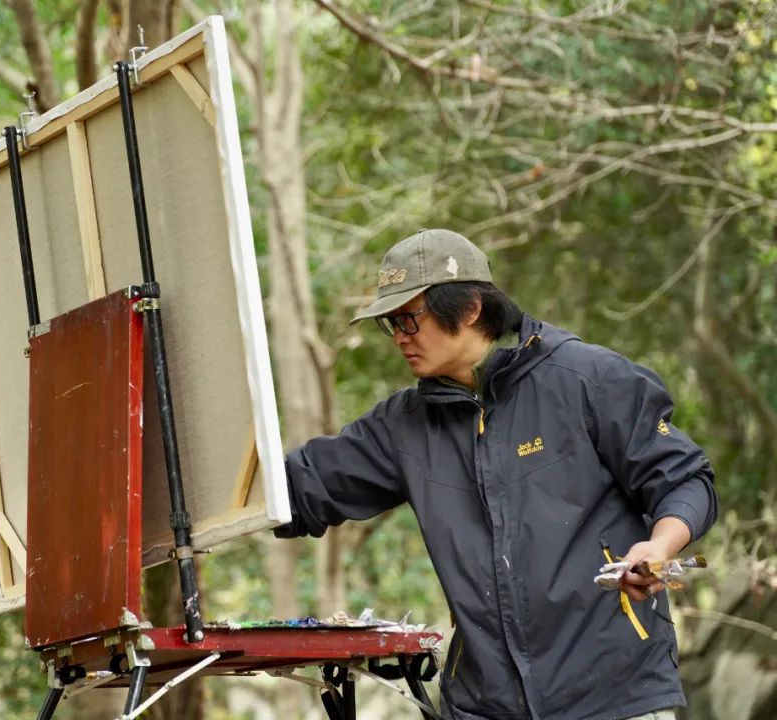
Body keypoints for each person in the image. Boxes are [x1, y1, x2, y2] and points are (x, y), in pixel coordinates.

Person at [274, 229, 718, 720]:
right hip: (484, 706)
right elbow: (294, 489)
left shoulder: (587, 380)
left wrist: (659, 548)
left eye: (408, 319)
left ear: (469, 309)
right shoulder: (404, 425)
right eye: (388, 324)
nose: (399, 336)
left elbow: (685, 480)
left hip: (615, 697)